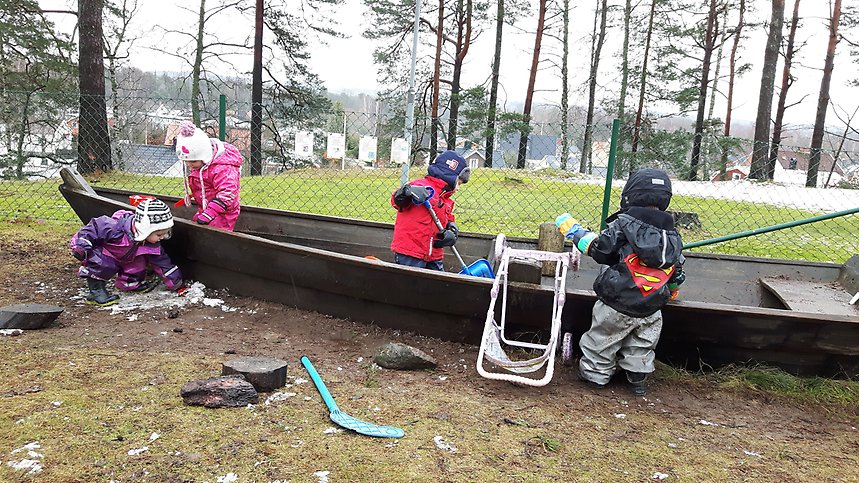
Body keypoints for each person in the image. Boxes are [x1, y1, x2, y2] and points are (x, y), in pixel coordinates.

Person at [556, 168, 685, 396]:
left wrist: (576, 233)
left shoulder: (624, 224)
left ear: (630, 196)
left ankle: (595, 376)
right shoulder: (672, 234)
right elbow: (677, 268)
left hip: (617, 301)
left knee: (602, 339)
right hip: (652, 305)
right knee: (642, 343)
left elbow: (600, 250)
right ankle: (637, 377)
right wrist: (673, 290)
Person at [70, 198, 186, 306]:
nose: (163, 237)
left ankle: (128, 284)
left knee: (139, 263)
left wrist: (176, 283)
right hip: (106, 254)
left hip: (127, 257)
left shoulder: (151, 243)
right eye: (159, 234)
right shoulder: (113, 227)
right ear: (145, 229)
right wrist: (81, 247)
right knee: (103, 263)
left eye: (166, 233)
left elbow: (163, 263)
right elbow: (91, 230)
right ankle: (96, 292)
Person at [390, 150, 471, 270]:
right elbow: (397, 202)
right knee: (411, 284)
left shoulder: (445, 198)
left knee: (438, 284)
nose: (457, 189)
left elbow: (445, 216)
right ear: (449, 176)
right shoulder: (420, 186)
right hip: (411, 253)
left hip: (434, 254)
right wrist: (405, 192)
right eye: (458, 183)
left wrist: (451, 227)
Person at [176, 120, 243, 231]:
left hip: (223, 212)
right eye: (186, 162)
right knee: (198, 229)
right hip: (206, 208)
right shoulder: (201, 165)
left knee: (216, 236)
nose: (189, 165)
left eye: (193, 162)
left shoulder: (222, 169)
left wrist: (210, 213)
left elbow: (227, 193)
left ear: (205, 156)